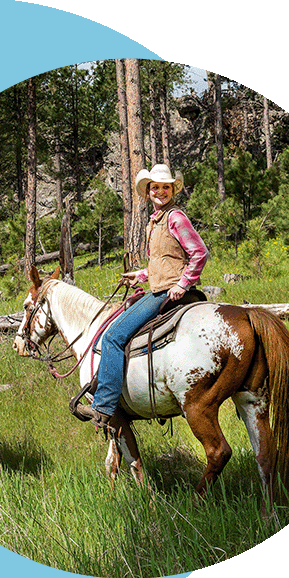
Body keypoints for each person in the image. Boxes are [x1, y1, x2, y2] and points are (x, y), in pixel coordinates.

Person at [75, 163, 209, 429]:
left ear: (173, 190)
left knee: (113, 337)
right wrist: (142, 275)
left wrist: (183, 284)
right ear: (148, 192)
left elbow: (199, 252)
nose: (160, 192)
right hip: (159, 286)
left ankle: (103, 406)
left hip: (168, 292)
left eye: (165, 187)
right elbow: (166, 259)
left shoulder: (175, 217)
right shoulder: (156, 221)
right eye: (155, 187)